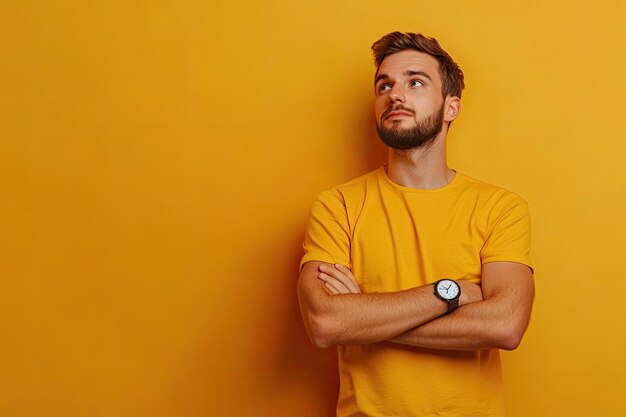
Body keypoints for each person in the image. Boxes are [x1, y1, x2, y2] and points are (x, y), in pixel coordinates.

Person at [297, 32, 535, 417]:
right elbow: (326, 322)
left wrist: (363, 317)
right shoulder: (338, 205)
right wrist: (452, 293)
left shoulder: (500, 207)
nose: (395, 95)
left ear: (450, 107)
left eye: (416, 82)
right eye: (384, 85)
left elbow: (506, 325)